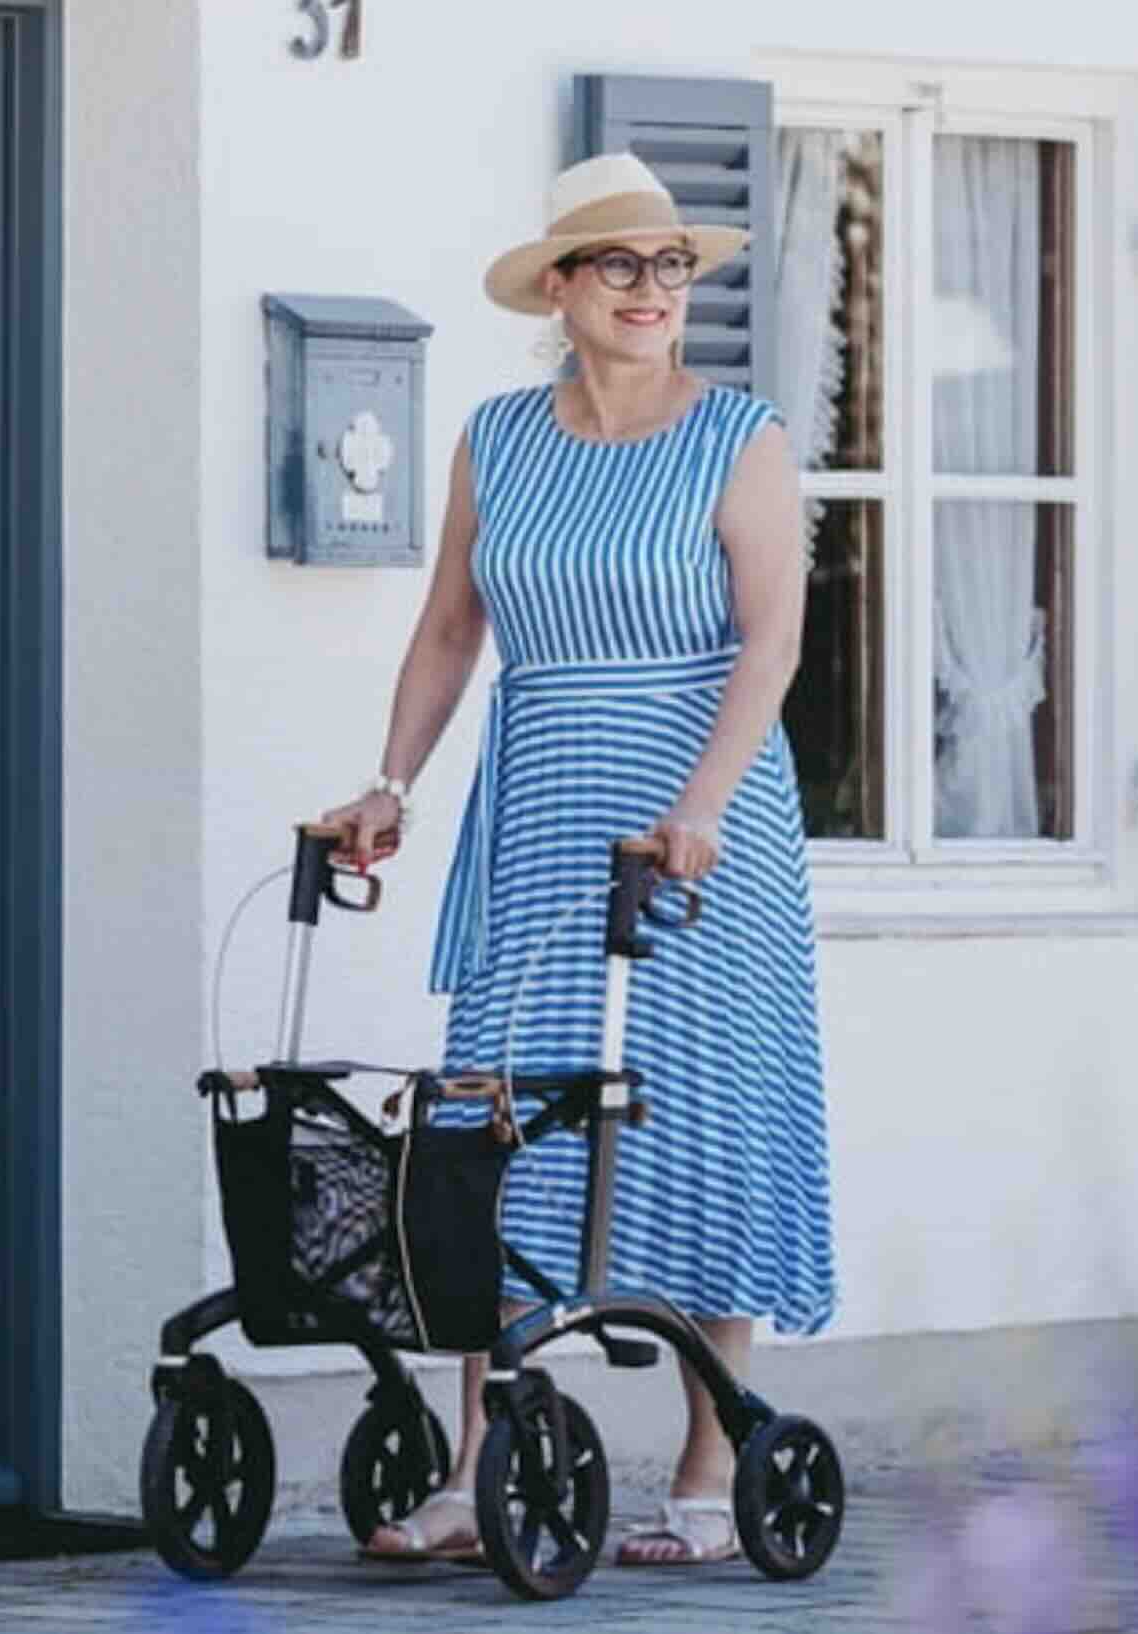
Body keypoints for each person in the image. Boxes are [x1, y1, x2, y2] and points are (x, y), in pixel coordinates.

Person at [321, 151, 837, 1568]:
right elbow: (448, 629)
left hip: (699, 818)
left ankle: (713, 1458)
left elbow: (771, 642)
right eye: (619, 266)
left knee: (702, 1106)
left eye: (671, 266)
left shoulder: (740, 435)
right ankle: (478, 1467)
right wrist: (391, 783)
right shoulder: (497, 435)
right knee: (498, 1128)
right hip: (542, 804)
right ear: (558, 288)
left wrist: (707, 802)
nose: (652, 292)